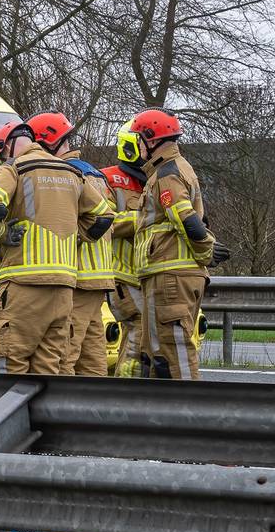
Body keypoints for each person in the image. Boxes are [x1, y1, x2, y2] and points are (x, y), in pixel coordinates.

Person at [0, 121, 113, 374]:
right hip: (63, 291)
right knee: (49, 370)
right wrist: (74, 235)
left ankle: (11, 415)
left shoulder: (14, 168)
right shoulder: (72, 172)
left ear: (6, 147)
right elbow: (104, 216)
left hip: (23, 285)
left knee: (7, 362)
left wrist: (1, 234)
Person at [27, 112, 116, 376]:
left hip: (77, 276)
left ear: (44, 142)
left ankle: (62, 414)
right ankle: (90, 413)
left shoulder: (63, 174)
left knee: (65, 355)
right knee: (92, 360)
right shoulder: (93, 171)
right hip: (99, 277)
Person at [131, 109, 213, 380]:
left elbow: (186, 219)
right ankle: (165, 416)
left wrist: (207, 251)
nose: (137, 145)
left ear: (151, 139)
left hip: (171, 276)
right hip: (165, 274)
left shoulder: (167, 173)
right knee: (157, 355)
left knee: (172, 353)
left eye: (139, 139)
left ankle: (188, 415)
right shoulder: (170, 170)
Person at [102, 119, 147, 373]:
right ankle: (126, 394)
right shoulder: (109, 179)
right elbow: (105, 224)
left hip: (150, 275)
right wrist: (148, 217)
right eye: (144, 144)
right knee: (138, 337)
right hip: (123, 276)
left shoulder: (159, 178)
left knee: (150, 340)